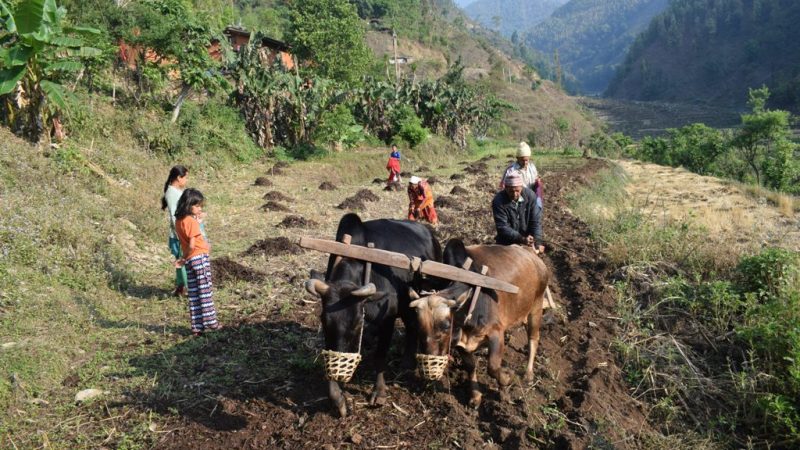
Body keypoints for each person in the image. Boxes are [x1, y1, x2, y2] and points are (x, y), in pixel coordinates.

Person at [174, 188, 221, 336]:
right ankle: (212, 323)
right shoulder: (191, 222)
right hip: (199, 258)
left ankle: (197, 326)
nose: (200, 208)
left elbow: (187, 241)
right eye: (198, 206)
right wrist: (184, 257)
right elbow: (193, 244)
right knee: (205, 291)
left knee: (194, 293)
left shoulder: (179, 221)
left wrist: (185, 258)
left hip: (190, 261)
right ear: (189, 205)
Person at [492, 171, 544, 253]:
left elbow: (535, 221)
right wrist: (521, 239)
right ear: (505, 188)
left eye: (517, 191)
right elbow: (503, 226)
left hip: (527, 240)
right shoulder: (498, 201)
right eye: (511, 191)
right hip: (506, 243)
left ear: (521, 187)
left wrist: (537, 242)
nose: (514, 194)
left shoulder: (530, 196)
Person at [161, 165, 189, 297]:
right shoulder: (172, 193)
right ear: (179, 177)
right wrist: (181, 234)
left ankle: (181, 287)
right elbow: (174, 215)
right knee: (183, 261)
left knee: (182, 260)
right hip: (178, 234)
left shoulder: (176, 191)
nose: (186, 180)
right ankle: (184, 287)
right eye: (185, 177)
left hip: (180, 232)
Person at [499, 142, 543, 208]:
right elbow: (505, 188)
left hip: (530, 199)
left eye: (527, 160)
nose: (525, 163)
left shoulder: (532, 167)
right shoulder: (511, 170)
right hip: (516, 200)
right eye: (522, 160)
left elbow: (535, 182)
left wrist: (537, 181)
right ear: (517, 158)